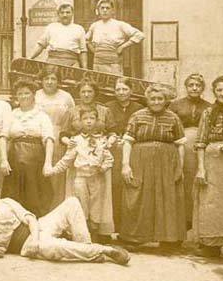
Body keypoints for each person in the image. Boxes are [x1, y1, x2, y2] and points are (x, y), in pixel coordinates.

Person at [0, 184, 130, 265]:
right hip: (25, 245)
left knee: (72, 202)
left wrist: (36, 238)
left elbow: (30, 219)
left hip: (38, 228)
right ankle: (105, 250)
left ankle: (86, 247)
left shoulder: (7, 202)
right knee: (58, 247)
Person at [121, 84, 186, 248]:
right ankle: (134, 238)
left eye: (160, 99)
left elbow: (180, 144)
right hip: (140, 162)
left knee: (167, 198)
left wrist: (180, 167)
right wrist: (125, 165)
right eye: (153, 99)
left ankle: (168, 240)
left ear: (165, 101)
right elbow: (128, 141)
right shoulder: (137, 116)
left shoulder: (173, 117)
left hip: (166, 163)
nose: (156, 102)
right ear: (147, 100)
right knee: (138, 196)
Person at [45, 108, 114, 242]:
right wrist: (52, 170)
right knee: (81, 204)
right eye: (85, 119)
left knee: (96, 205)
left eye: (92, 118)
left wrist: (103, 168)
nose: (88, 121)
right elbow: (66, 160)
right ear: (80, 121)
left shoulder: (102, 140)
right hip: (81, 178)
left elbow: (109, 159)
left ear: (97, 121)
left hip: (96, 177)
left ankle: (94, 234)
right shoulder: (76, 140)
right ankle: (82, 234)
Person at [193, 75, 223, 262]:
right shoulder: (207, 113)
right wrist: (201, 169)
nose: (222, 93)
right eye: (219, 90)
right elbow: (200, 142)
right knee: (211, 202)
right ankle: (211, 246)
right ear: (214, 91)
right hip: (211, 161)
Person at [3, 79, 54, 217]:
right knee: (14, 195)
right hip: (14, 160)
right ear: (16, 96)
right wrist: (3, 160)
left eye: (27, 93)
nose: (24, 96)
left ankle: (38, 226)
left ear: (33, 95)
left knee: (36, 194)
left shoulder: (42, 115)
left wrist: (48, 163)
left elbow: (49, 139)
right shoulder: (12, 114)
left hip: (35, 160)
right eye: (20, 93)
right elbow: (3, 137)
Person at [168, 73, 211, 230]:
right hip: (180, 146)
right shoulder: (175, 105)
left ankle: (198, 224)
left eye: (197, 86)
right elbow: (169, 124)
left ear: (202, 88)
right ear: (186, 87)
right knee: (181, 180)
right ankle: (181, 223)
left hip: (200, 148)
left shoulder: (209, 106)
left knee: (197, 181)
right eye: (191, 85)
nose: (194, 88)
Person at [34, 66, 76, 210]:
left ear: (59, 81)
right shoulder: (35, 95)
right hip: (38, 138)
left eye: (53, 79)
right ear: (41, 80)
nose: (50, 82)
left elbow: (73, 118)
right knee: (40, 173)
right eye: (47, 78)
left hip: (59, 139)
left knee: (58, 175)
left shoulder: (66, 96)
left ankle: (57, 210)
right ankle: (41, 210)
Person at [105, 77, 144, 231]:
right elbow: (107, 128)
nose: (121, 92)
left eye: (124, 89)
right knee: (115, 186)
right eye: (118, 89)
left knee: (132, 185)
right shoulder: (109, 107)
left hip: (133, 149)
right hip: (114, 149)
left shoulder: (138, 108)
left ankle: (131, 227)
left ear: (131, 91)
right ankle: (115, 225)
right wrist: (113, 138)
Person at [86, 0, 144, 75]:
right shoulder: (95, 25)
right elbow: (85, 39)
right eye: (102, 8)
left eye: (108, 8)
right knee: (98, 85)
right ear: (98, 10)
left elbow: (140, 35)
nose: (105, 10)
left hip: (113, 64)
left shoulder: (119, 24)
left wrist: (122, 47)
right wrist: (93, 49)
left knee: (114, 84)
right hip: (97, 63)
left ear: (113, 11)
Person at [29, 3, 88, 68]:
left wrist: (84, 69)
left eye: (68, 12)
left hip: (72, 63)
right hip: (53, 62)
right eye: (62, 12)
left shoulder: (79, 29)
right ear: (58, 14)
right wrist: (30, 58)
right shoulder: (51, 27)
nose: (65, 15)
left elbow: (83, 51)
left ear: (72, 14)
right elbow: (41, 45)